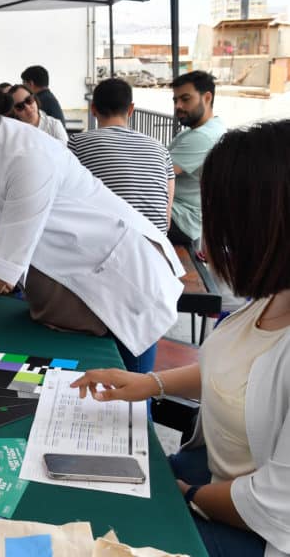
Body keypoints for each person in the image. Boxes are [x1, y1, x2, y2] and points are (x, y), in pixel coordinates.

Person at [70, 119, 290, 557]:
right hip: (210, 478)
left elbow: (273, 505)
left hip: (252, 529)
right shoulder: (268, 298)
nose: (205, 247)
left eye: (221, 220)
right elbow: (242, 372)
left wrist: (183, 495)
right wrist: (152, 383)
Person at [0, 65, 183, 375]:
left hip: (123, 282)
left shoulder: (27, 156)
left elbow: (0, 272)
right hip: (77, 287)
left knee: (129, 391)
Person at [69, 78, 175, 233]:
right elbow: (167, 217)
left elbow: (69, 197)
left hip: (106, 243)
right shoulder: (160, 148)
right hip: (156, 243)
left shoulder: (77, 142)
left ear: (93, 109)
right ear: (131, 109)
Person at [167, 70, 225, 248]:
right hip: (182, 213)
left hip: (182, 219)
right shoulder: (203, 130)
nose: (178, 106)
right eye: (175, 100)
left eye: (185, 99)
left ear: (207, 98)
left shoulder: (203, 137)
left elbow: (155, 173)